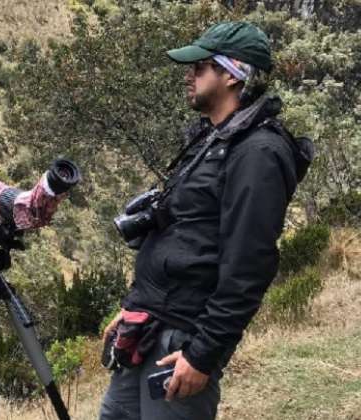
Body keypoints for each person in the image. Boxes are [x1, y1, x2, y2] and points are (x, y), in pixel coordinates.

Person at [99, 21, 313, 420]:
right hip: (146, 326)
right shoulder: (211, 139)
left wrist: (202, 354)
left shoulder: (258, 153)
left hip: (182, 341)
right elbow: (177, 233)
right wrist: (134, 304)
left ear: (232, 74)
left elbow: (249, 266)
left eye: (200, 67)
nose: (189, 75)